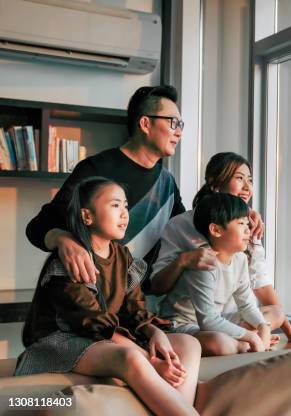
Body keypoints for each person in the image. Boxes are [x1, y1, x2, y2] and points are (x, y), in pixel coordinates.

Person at [16, 177, 201, 416]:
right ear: (87, 216)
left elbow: (133, 308)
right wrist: (151, 362)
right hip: (64, 340)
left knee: (188, 343)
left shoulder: (122, 256)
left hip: (102, 339)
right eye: (115, 205)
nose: (124, 213)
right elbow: (88, 320)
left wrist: (155, 333)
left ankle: (176, 408)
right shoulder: (72, 260)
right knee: (132, 357)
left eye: (125, 206)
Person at [25, 85, 221, 288]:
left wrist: (241, 215)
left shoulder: (167, 183)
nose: (179, 132)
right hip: (91, 297)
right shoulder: (97, 168)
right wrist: (62, 238)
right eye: (173, 122)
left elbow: (189, 229)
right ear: (145, 124)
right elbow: (38, 226)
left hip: (137, 301)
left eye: (181, 124)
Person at [150, 152, 291, 350]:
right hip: (191, 320)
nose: (247, 188)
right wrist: (183, 261)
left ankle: (242, 339)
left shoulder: (249, 230)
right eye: (239, 178)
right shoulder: (181, 225)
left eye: (250, 180)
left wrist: (290, 332)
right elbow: (157, 286)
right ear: (214, 183)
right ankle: (243, 341)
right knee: (218, 340)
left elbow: (260, 286)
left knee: (276, 313)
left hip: (226, 319)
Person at [158, 192, 275, 355]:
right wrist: (252, 337)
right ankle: (240, 345)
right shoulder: (204, 262)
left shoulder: (240, 259)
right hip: (183, 325)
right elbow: (207, 320)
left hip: (215, 321)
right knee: (219, 343)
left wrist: (263, 327)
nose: (248, 230)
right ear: (216, 230)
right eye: (241, 223)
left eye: (248, 224)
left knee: (274, 314)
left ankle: (239, 342)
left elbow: (246, 304)